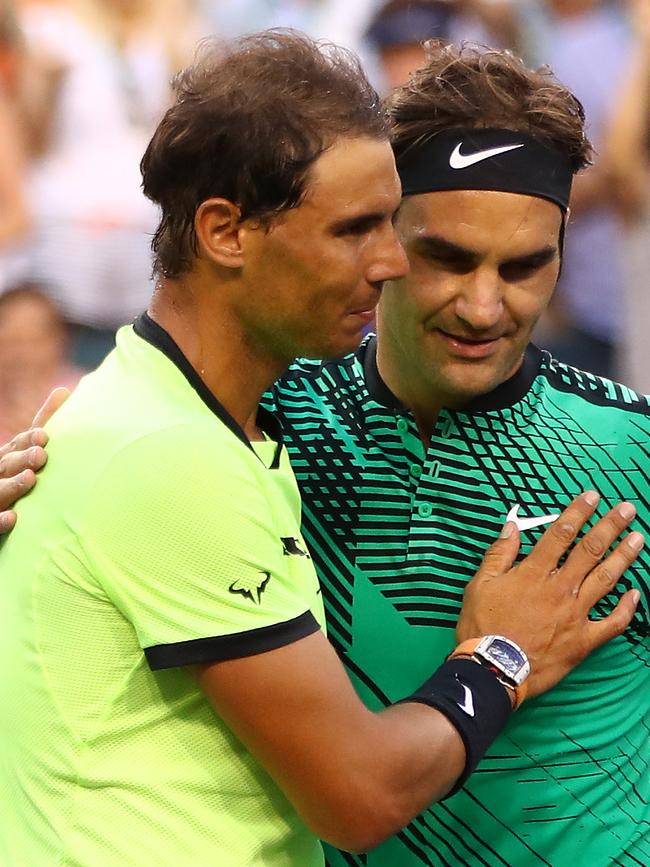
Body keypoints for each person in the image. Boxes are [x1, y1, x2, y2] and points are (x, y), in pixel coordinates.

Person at [0, 33, 644, 867]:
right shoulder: (256, 420)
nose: (485, 306)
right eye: (440, 255)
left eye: (524, 266)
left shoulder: (634, 445)